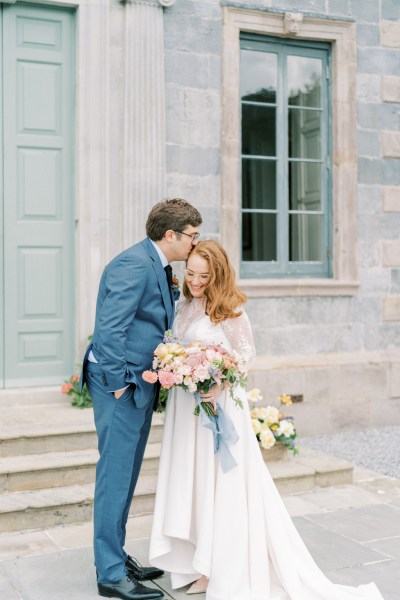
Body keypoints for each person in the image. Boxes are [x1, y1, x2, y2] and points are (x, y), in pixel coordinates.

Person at [149, 240, 384, 600]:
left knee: (220, 482)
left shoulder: (232, 310)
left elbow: (245, 357)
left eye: (203, 276)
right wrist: (175, 367)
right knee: (193, 480)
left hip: (220, 404)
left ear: (219, 275)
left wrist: (218, 382)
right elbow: (177, 346)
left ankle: (220, 565)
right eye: (190, 274)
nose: (194, 281)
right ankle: (199, 559)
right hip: (187, 408)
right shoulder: (184, 305)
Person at [80, 198, 202, 600]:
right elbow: (110, 329)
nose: (195, 244)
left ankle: (114, 556)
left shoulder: (156, 264)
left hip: (140, 383)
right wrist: (119, 384)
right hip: (122, 384)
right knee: (114, 477)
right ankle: (111, 575)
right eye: (192, 236)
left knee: (126, 476)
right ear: (171, 235)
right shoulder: (134, 264)